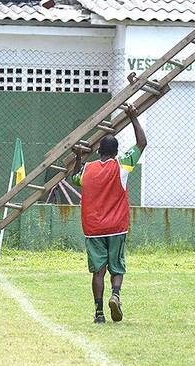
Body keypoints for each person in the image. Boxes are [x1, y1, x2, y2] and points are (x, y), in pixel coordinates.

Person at [71, 103, 147, 323]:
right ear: (115, 153)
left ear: (98, 152)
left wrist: (78, 158)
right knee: (117, 266)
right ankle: (115, 295)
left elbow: (75, 178)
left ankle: (99, 313)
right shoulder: (122, 165)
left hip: (93, 229)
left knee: (98, 271)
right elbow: (142, 143)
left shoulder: (88, 170)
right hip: (116, 227)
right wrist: (132, 116)